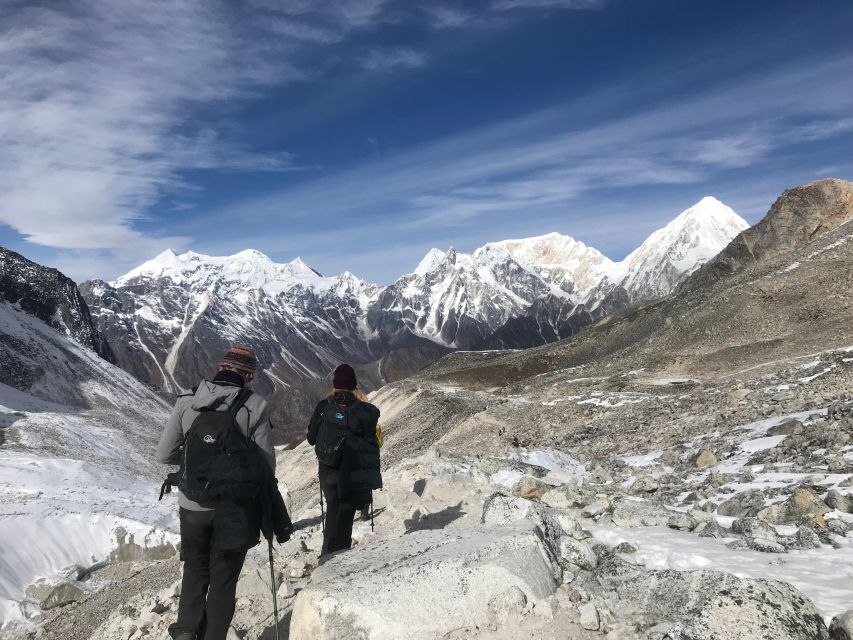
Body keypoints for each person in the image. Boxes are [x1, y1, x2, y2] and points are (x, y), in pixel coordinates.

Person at [157, 345, 276, 640]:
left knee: (195, 572)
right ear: (248, 375)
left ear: (220, 368)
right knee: (223, 581)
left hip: (192, 506)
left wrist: (195, 463)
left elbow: (163, 455)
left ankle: (185, 634)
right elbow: (265, 466)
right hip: (233, 511)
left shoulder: (187, 400)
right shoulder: (256, 405)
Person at [307, 364, 382, 557]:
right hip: (352, 473)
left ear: (335, 384)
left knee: (333, 507)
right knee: (346, 512)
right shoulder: (365, 411)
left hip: (328, 470)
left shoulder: (324, 406)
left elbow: (311, 439)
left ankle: (327, 556)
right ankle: (341, 555)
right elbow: (371, 442)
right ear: (354, 385)